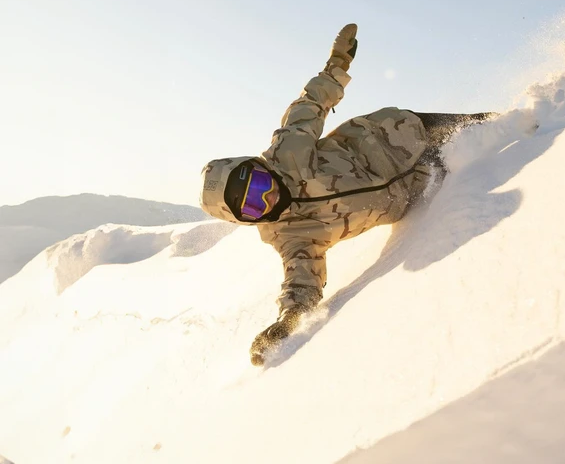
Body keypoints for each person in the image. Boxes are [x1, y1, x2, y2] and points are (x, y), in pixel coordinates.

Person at [200, 23, 494, 365]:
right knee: (482, 162)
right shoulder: (291, 236)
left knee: (497, 130)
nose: (267, 197)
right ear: (247, 220)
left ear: (259, 166)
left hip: (399, 134)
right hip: (416, 186)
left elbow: (311, 102)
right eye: (252, 206)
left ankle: (551, 115)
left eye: (261, 184)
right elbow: (301, 286)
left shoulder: (288, 150)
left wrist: (338, 63)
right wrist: (287, 323)